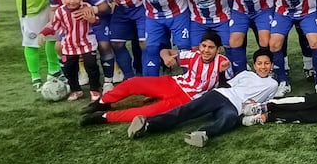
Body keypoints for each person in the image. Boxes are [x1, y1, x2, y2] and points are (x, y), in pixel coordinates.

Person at [127, 47, 278, 147]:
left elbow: (264, 104)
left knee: (229, 119)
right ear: (255, 64)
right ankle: (148, 124)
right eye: (259, 63)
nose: (263, 67)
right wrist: (220, 73)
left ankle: (202, 134)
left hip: (235, 107)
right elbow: (226, 85)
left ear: (271, 65)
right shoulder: (246, 74)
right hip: (220, 95)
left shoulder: (273, 84)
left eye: (266, 64)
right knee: (187, 110)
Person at [81, 30, 230, 125]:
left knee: (148, 112)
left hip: (187, 98)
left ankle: (104, 117)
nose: (206, 50)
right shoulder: (193, 56)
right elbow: (165, 51)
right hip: (173, 83)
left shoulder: (221, 61)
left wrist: (224, 71)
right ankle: (102, 102)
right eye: (204, 46)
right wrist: (166, 58)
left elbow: (226, 73)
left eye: (211, 47)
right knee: (133, 82)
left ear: (218, 49)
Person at [47, 0, 116, 92]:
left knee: (104, 45)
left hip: (94, 21)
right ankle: (72, 79)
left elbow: (105, 8)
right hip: (72, 25)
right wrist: (54, 28)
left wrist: (91, 10)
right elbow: (54, 10)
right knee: (59, 46)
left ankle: (108, 80)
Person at [37, 0, 101, 101]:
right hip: (69, 45)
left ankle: (95, 90)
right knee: (69, 68)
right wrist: (42, 33)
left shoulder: (86, 7)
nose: (71, 1)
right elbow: (54, 26)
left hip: (87, 43)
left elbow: (97, 21)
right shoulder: (60, 12)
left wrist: (92, 20)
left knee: (91, 66)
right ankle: (76, 90)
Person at [214, 0, 274, 75]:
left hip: (263, 9)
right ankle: (240, 74)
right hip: (240, 10)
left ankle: (268, 72)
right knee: (234, 41)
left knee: (265, 41)